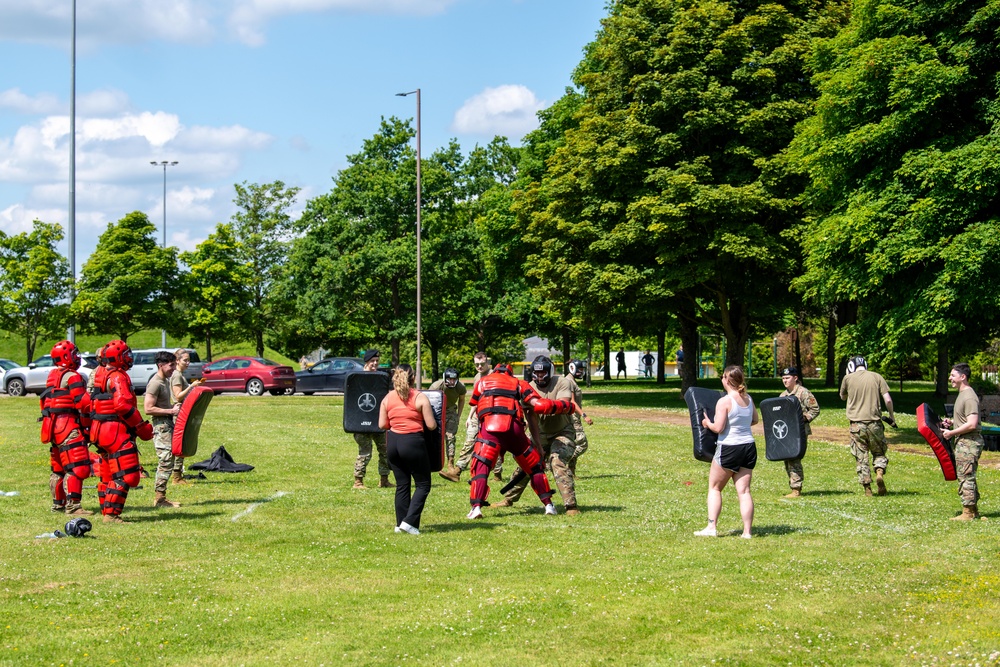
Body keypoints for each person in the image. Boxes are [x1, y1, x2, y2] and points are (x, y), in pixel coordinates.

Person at [465, 362, 579, 520]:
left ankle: (476, 507)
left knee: (481, 467)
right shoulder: (520, 383)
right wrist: (566, 407)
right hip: (514, 430)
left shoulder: (482, 382)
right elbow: (538, 405)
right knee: (534, 467)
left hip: (490, 430)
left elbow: (476, 405)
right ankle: (548, 504)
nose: (539, 376)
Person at [496, 355, 586, 515]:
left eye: (542, 373)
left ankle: (571, 506)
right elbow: (531, 419)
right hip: (540, 432)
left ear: (550, 371)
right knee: (526, 463)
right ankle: (508, 498)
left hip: (563, 431)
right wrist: (537, 445)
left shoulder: (562, 382)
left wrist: (545, 406)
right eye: (536, 373)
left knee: (557, 461)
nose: (539, 377)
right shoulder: (528, 387)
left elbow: (564, 404)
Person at [90, 340, 154, 523]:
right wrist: (142, 427)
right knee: (128, 475)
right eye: (126, 355)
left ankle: (106, 510)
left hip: (100, 430)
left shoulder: (100, 373)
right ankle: (111, 515)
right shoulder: (118, 376)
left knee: (108, 474)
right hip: (115, 431)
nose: (129, 358)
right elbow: (122, 405)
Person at [695, 365, 759, 538]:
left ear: (727, 380)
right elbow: (755, 419)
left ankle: (711, 528)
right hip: (749, 447)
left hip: (729, 448)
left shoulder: (724, 401)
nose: (721, 380)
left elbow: (718, 427)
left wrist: (707, 423)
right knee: (744, 491)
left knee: (714, 488)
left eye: (723, 377)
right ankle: (747, 532)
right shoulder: (748, 398)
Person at [378, 364, 437, 535]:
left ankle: (400, 524)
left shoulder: (387, 398)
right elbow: (431, 425)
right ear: (413, 378)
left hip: (393, 443)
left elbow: (382, 424)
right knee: (423, 484)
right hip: (412, 442)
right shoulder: (419, 397)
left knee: (402, 485)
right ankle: (409, 522)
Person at [39, 340, 93, 515]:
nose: (77, 357)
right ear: (66, 357)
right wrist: (86, 426)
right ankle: (74, 506)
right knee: (77, 466)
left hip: (51, 427)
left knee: (58, 468)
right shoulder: (72, 376)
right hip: (68, 425)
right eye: (74, 354)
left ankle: (58, 504)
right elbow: (83, 404)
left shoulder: (52, 375)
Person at [839, 356, 895, 496]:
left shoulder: (848, 378)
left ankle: (867, 488)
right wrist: (891, 417)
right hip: (875, 423)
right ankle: (879, 471)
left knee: (861, 456)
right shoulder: (877, 377)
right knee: (879, 452)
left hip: (856, 425)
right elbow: (888, 399)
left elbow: (842, 397)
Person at [443, 352, 503, 483]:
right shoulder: (477, 377)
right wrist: (469, 416)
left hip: (492, 415)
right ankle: (457, 471)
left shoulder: (495, 376)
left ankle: (498, 474)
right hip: (478, 414)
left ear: (487, 362)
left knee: (493, 443)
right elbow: (476, 399)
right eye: (477, 365)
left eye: (482, 364)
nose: (480, 367)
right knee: (469, 440)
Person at [941, 363, 986, 520]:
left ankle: (967, 513)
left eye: (953, 375)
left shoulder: (969, 396)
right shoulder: (962, 394)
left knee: (965, 476)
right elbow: (965, 420)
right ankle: (974, 512)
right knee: (967, 474)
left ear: (963, 377)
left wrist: (951, 433)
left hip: (969, 442)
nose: (950, 378)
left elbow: (973, 423)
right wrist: (952, 422)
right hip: (965, 440)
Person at [144, 351, 183, 509]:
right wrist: (170, 411)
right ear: (161, 365)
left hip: (167, 424)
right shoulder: (155, 383)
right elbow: (148, 408)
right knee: (165, 461)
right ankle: (159, 498)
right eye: (171, 365)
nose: (174, 368)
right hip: (161, 426)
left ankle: (162, 497)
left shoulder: (164, 381)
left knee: (170, 459)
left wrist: (173, 408)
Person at [777, 366, 820, 498]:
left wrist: (804, 418)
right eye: (783, 378)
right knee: (787, 458)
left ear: (795, 378)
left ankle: (796, 488)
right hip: (785, 432)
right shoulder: (783, 395)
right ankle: (793, 485)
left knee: (794, 458)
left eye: (787, 378)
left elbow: (815, 409)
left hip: (799, 432)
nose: (785, 381)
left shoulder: (803, 393)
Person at [353, 349, 393, 489]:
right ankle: (358, 481)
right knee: (365, 452)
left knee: (385, 451)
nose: (375, 363)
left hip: (379, 421)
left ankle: (384, 480)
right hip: (362, 421)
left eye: (377, 361)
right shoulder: (358, 377)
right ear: (366, 362)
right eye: (372, 361)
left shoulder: (381, 377)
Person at [169, 348, 205, 485]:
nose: (188, 363)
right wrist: (192, 386)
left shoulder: (179, 374)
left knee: (180, 443)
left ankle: (177, 474)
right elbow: (178, 396)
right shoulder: (177, 375)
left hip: (180, 412)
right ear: (177, 361)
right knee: (180, 444)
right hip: (178, 413)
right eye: (185, 360)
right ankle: (176, 477)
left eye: (189, 360)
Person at [428, 368, 466, 478]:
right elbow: (428, 399)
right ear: (445, 378)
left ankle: (450, 463)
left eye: (454, 379)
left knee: (450, 437)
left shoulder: (460, 387)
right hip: (436, 412)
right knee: (434, 437)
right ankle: (433, 462)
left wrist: (458, 415)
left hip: (450, 412)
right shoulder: (436, 386)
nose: (452, 382)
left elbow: (462, 399)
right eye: (450, 379)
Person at [564, 360, 595, 474]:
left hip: (574, 415)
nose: (581, 372)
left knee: (574, 443)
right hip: (573, 416)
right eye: (580, 370)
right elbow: (572, 402)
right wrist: (584, 415)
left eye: (582, 370)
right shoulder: (569, 381)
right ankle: (560, 462)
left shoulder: (571, 380)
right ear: (572, 368)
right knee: (582, 444)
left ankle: (571, 472)